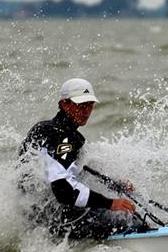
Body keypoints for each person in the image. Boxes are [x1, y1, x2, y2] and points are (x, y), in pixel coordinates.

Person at [19, 78, 146, 240]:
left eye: (90, 105)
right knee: (130, 222)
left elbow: (74, 170)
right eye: (81, 105)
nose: (86, 111)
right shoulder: (63, 137)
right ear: (64, 104)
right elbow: (63, 190)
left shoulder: (46, 129)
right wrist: (110, 203)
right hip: (51, 217)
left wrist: (113, 182)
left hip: (33, 213)